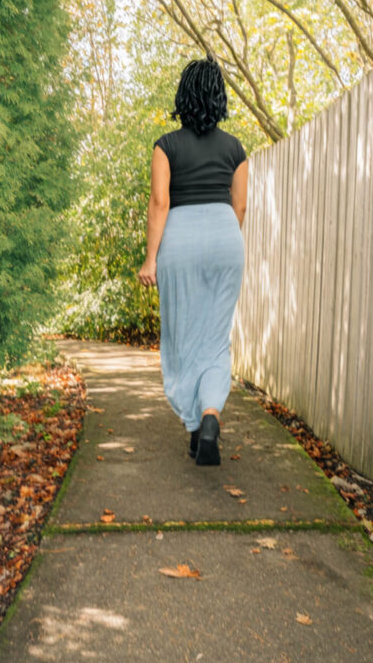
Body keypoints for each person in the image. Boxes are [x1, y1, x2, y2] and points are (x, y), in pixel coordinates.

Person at [138, 52, 249, 466]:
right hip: (225, 237)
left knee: (183, 339)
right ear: (218, 98)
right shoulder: (236, 149)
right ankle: (209, 417)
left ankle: (192, 425)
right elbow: (239, 208)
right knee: (216, 339)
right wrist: (220, 243)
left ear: (183, 97)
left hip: (180, 239)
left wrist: (151, 258)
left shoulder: (166, 146)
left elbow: (160, 202)